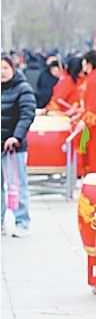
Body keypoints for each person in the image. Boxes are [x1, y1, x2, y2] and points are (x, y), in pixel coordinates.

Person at [2, 56, 37, 237]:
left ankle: (22, 222)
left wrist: (16, 136)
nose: (2, 72)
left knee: (17, 185)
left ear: (13, 69)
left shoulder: (23, 89)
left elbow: (27, 114)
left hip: (13, 148)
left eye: (5, 68)